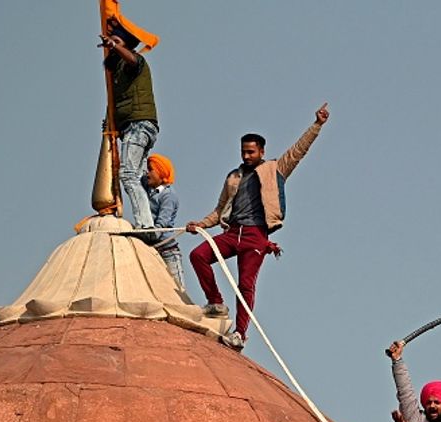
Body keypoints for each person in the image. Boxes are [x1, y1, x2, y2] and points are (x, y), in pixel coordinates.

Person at [186, 103, 330, 350]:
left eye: (251, 152)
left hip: (255, 236)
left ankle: (240, 334)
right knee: (198, 255)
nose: (246, 156)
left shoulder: (275, 169)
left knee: (245, 284)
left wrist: (316, 125)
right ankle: (216, 302)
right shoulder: (234, 176)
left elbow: (298, 151)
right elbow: (220, 210)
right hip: (232, 232)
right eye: (243, 152)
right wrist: (201, 224)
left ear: (261, 151)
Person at [99, 19, 159, 233]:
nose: (110, 47)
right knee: (141, 179)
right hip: (133, 128)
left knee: (128, 175)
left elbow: (133, 60)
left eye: (116, 42)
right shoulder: (117, 71)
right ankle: (153, 221)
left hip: (139, 126)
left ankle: (146, 226)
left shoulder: (135, 62)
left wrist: (114, 45)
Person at [144, 154, 185, 287]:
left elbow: (163, 222)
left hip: (168, 251)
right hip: (152, 248)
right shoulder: (150, 191)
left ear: (161, 172)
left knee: (178, 289)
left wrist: (149, 235)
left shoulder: (168, 196)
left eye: (151, 170)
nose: (147, 173)